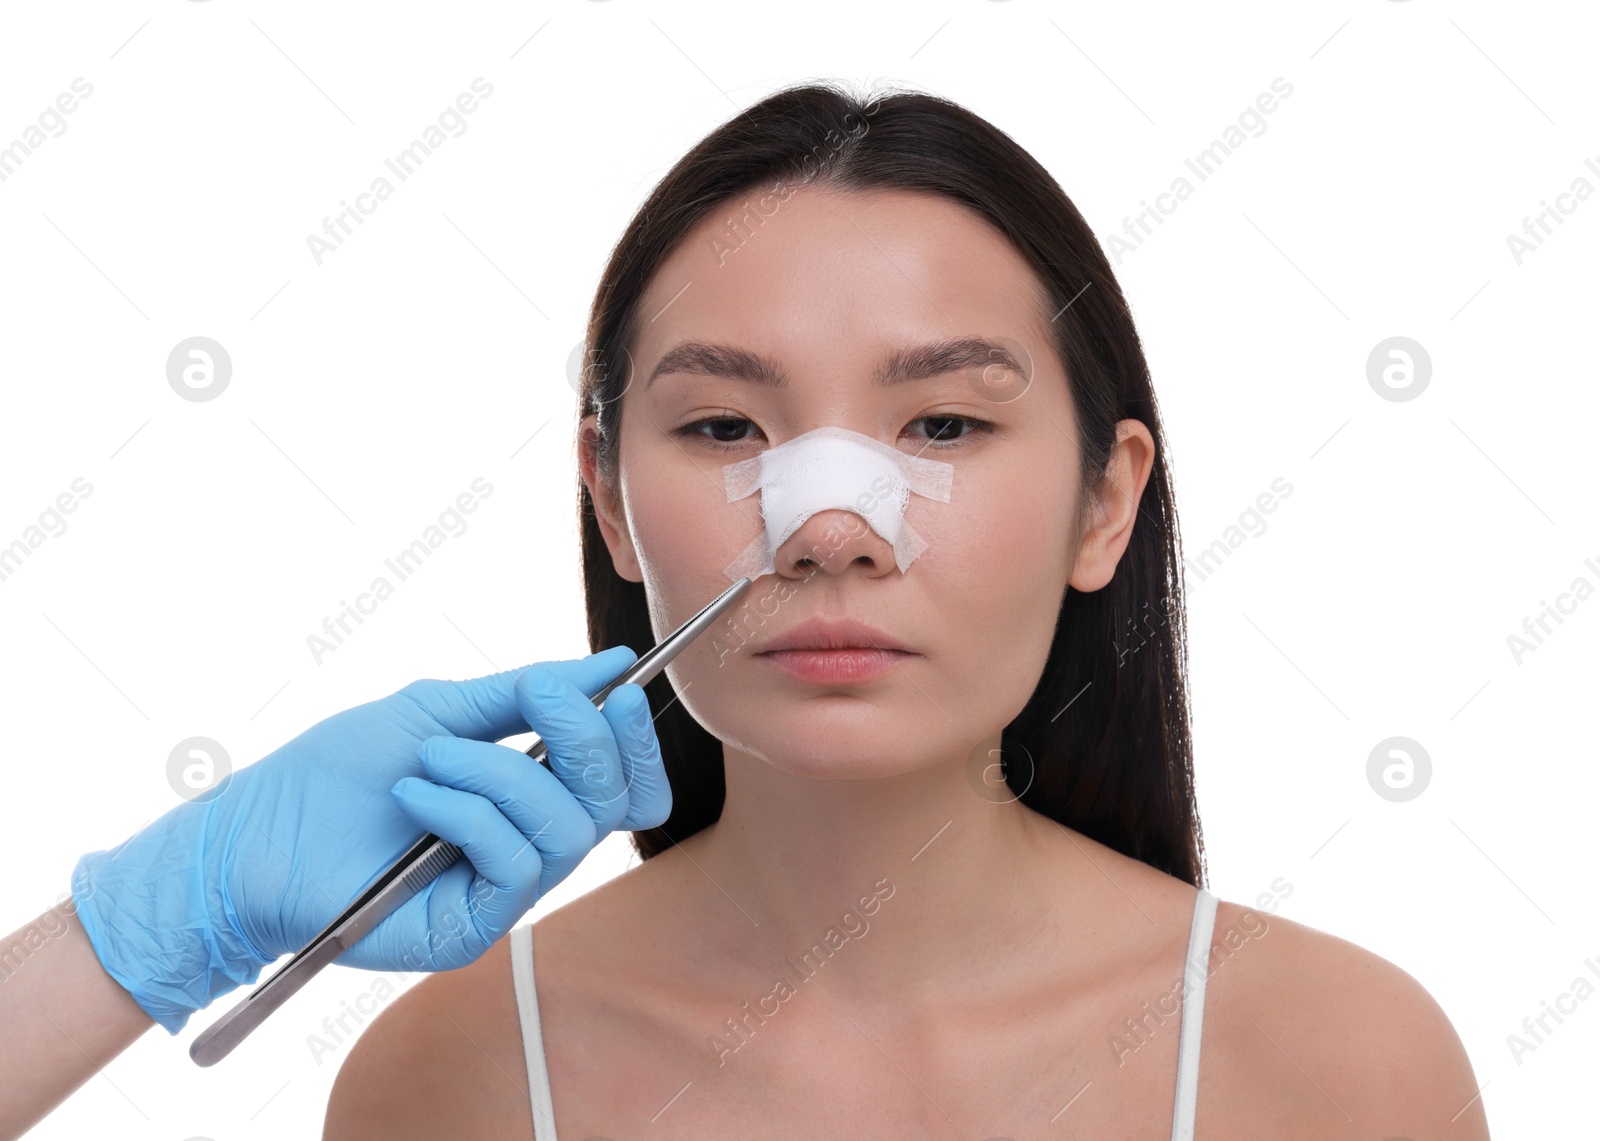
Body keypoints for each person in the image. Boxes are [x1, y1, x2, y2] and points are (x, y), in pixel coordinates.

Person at [321, 81, 1492, 1140]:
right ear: (611, 504)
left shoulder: (1343, 1067)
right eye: (724, 428)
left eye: (944, 425)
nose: (828, 531)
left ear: (1104, 501)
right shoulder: (452, 1079)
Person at [0, 651, 668, 1141]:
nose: (781, 543)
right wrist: (190, 896)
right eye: (726, 446)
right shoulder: (442, 1072)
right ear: (610, 506)